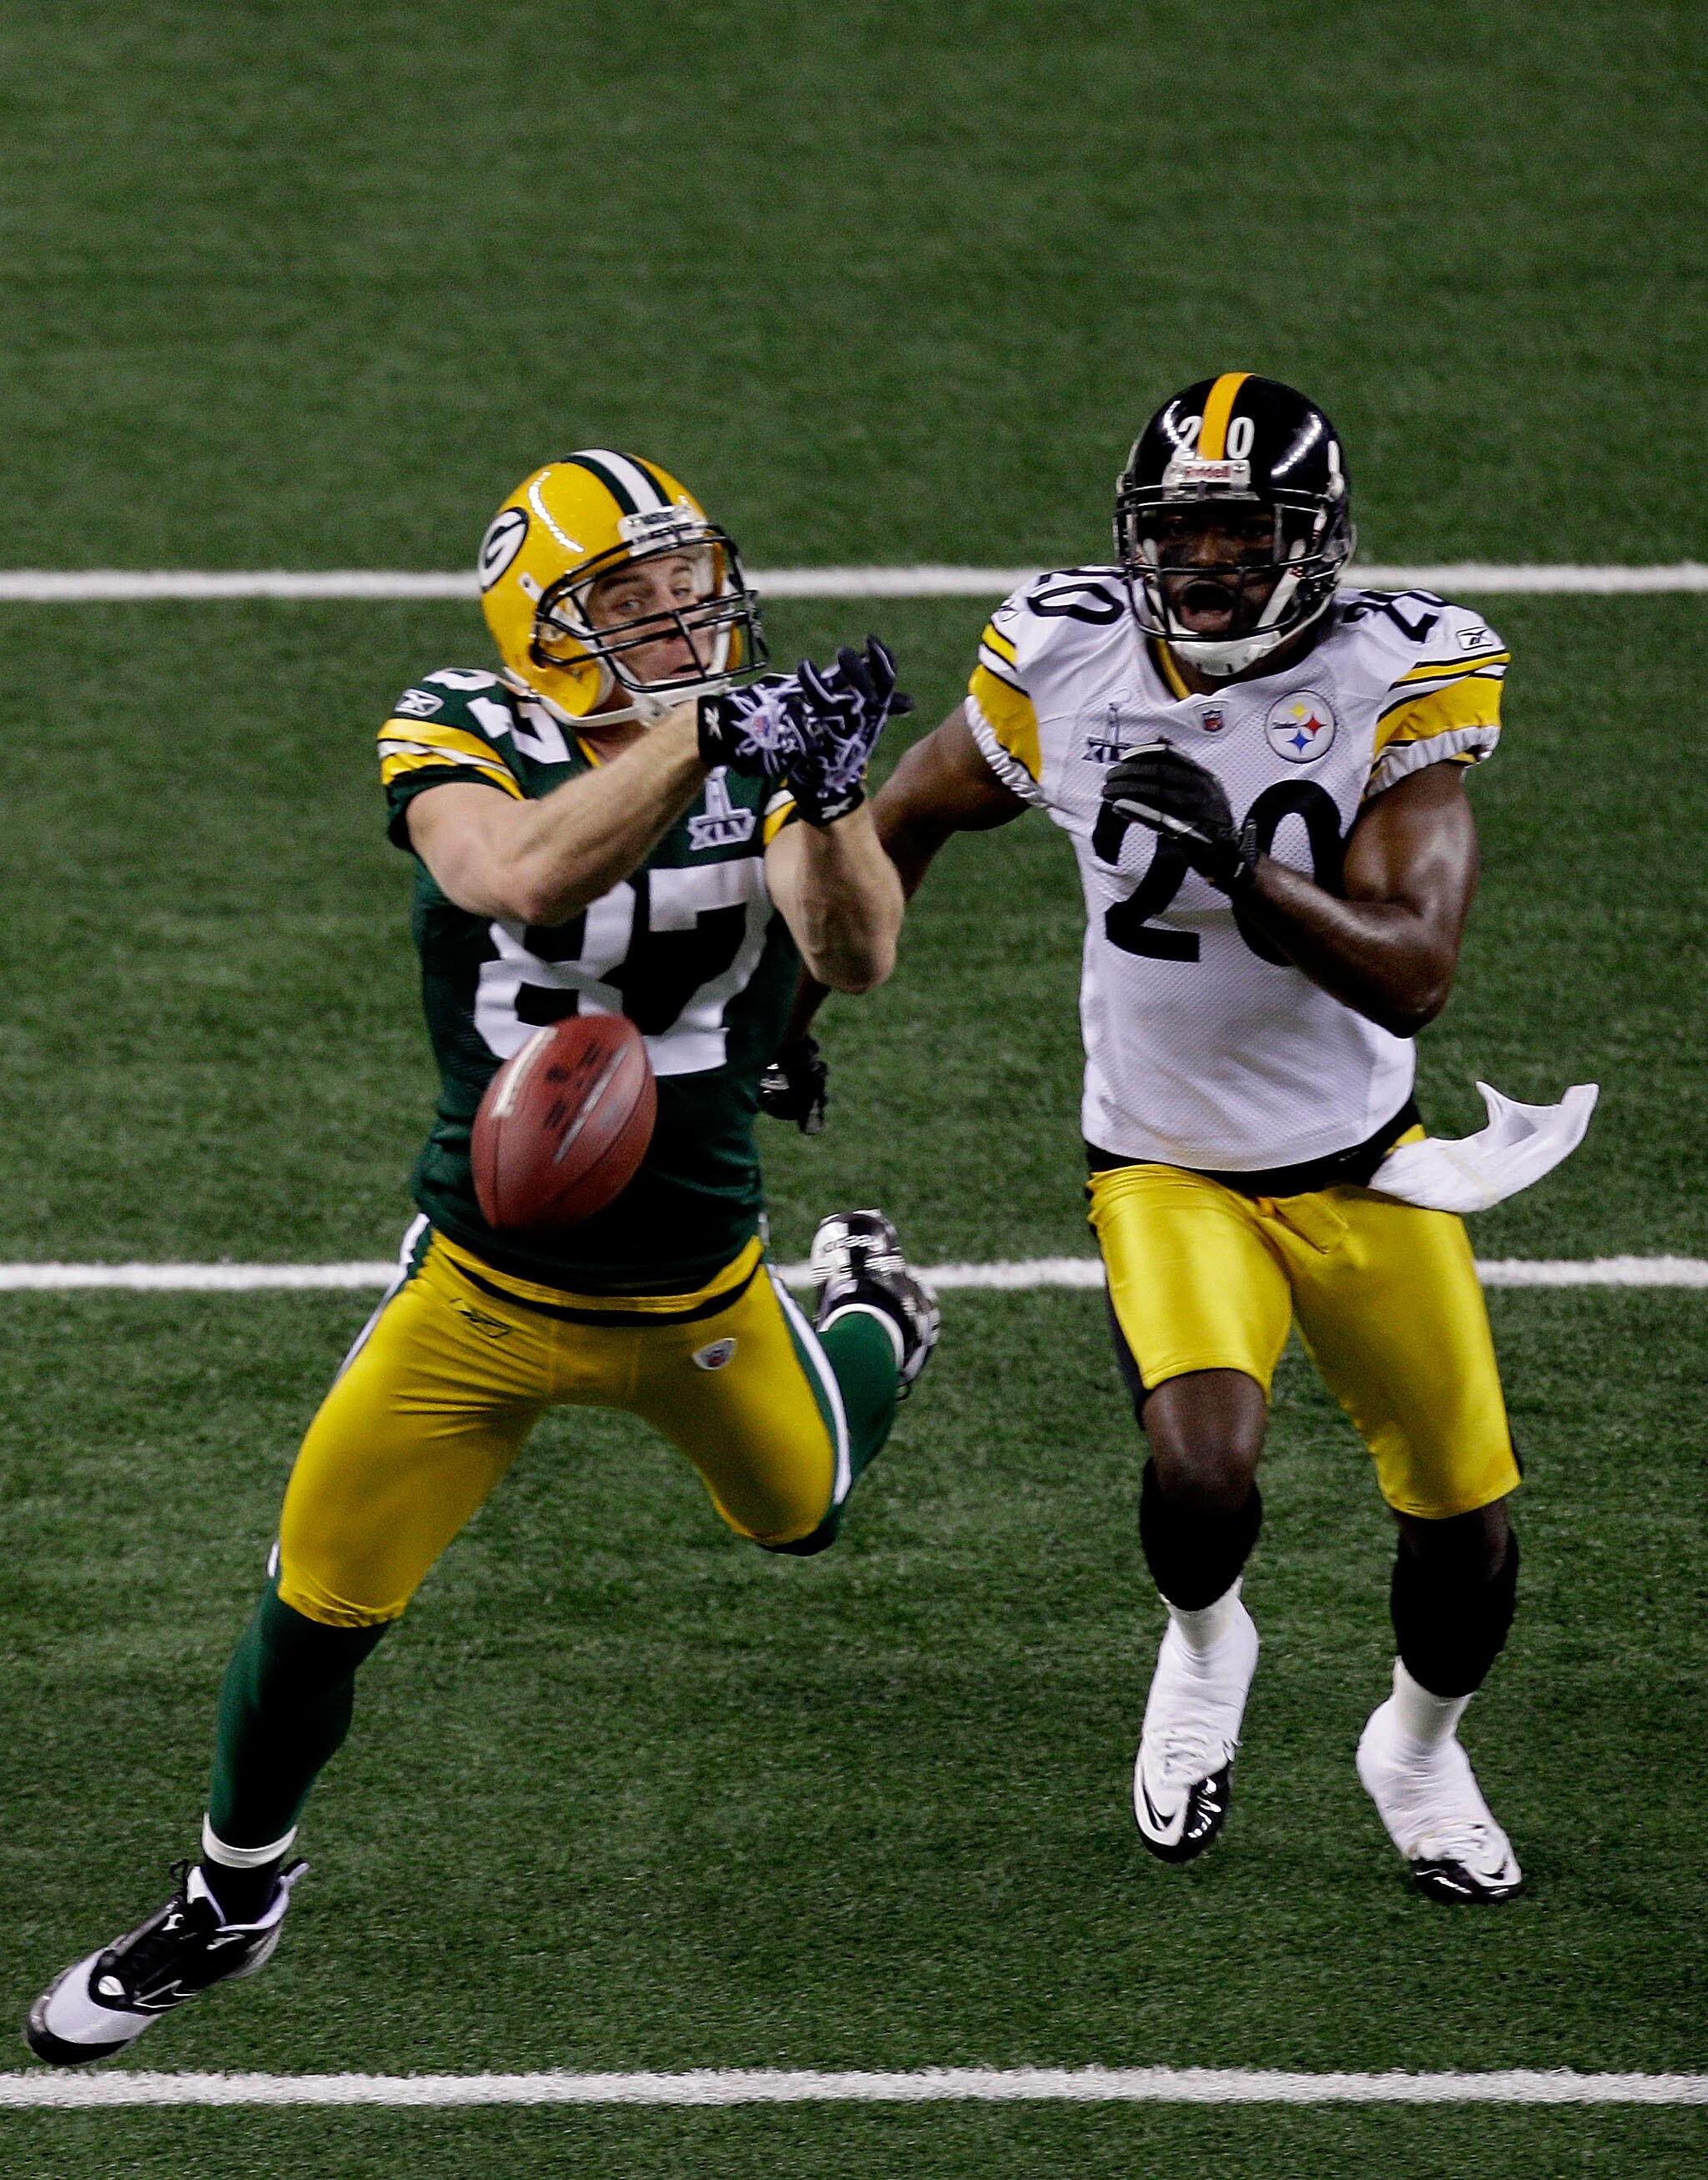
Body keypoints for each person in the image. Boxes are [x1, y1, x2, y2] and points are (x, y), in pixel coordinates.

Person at [27, 449, 939, 2065]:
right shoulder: (461, 720)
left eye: (687, 578)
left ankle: (866, 1311)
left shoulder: (757, 727)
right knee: (318, 1599)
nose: (680, 612)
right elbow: (510, 872)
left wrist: (830, 786)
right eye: (632, 593)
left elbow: (852, 954)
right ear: (544, 619)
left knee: (803, 1517)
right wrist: (701, 739)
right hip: (482, 1288)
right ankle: (232, 1896)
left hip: (697, 1282)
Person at [775, 375, 1529, 1902]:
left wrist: (1246, 868)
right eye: (1184, 535)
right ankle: (1204, 1650)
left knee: (1465, 1522)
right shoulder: (1067, 658)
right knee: (1201, 1469)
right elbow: (909, 817)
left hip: (1363, 1155)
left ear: (1312, 543)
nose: (1209, 567)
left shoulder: (1399, 676)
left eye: (1248, 535)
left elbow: (1418, 970)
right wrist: (789, 1019)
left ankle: (1420, 1746)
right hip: (1163, 1161)